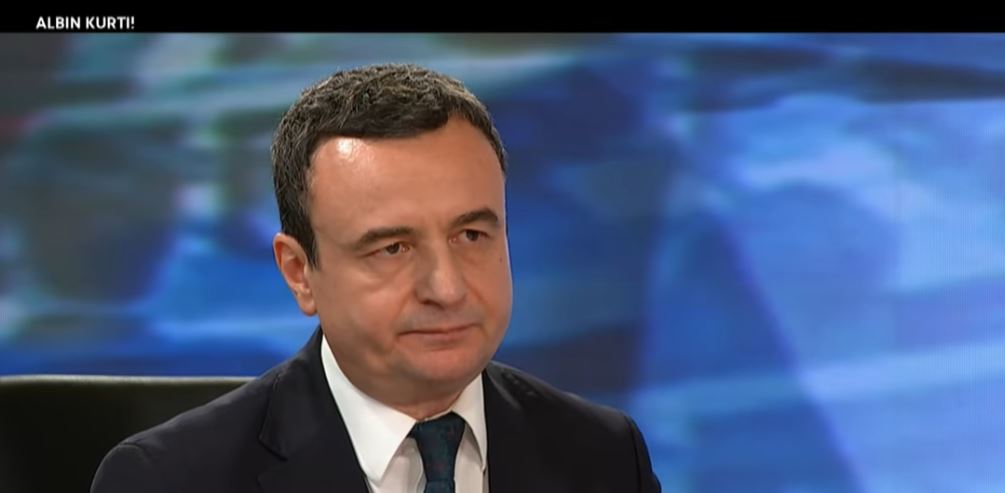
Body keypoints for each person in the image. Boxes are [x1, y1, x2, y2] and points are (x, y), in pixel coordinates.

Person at [91, 63, 661, 493]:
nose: (447, 289)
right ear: (299, 273)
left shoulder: (607, 457)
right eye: (393, 248)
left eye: (471, 236)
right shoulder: (169, 480)